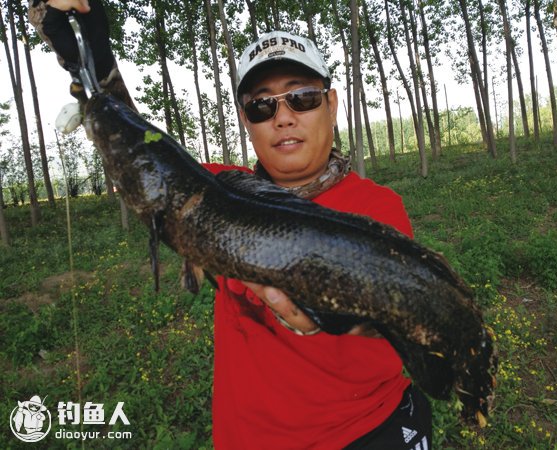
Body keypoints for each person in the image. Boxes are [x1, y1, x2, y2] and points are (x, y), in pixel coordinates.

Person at [30, 1, 432, 448]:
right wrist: (93, 55)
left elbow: (402, 313)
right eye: (261, 106)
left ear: (331, 104)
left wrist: (333, 314)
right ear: (246, 120)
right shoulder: (218, 190)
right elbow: (138, 151)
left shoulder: (375, 209)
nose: (283, 117)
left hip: (366, 431)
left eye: (302, 97)